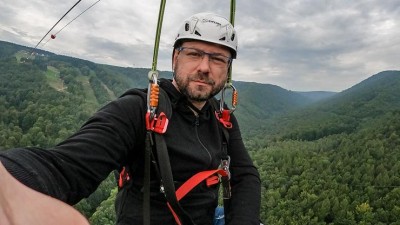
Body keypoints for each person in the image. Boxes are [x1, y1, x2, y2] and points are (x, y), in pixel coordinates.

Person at [0, 12, 261, 225]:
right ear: (175, 58)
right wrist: (9, 182)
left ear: (227, 71)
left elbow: (245, 175)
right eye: (194, 53)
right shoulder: (139, 110)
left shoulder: (222, 118)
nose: (204, 67)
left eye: (217, 59)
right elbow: (64, 167)